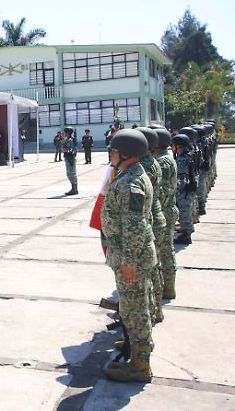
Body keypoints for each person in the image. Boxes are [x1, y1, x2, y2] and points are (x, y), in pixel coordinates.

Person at [101, 128, 156, 383]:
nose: (110, 154)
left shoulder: (131, 183)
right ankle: (137, 350)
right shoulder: (130, 175)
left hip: (131, 258)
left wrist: (129, 263)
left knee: (135, 311)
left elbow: (135, 227)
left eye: (112, 150)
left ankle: (140, 366)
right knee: (133, 308)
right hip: (130, 255)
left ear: (124, 153)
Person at [135, 127, 167, 324]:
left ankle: (152, 310)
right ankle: (157, 307)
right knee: (154, 268)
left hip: (149, 220)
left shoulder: (144, 166)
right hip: (156, 215)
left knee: (148, 273)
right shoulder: (153, 162)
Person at [153, 128, 178, 300]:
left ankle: (167, 287)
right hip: (168, 209)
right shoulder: (164, 159)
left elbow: (160, 192)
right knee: (166, 251)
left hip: (163, 211)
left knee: (164, 252)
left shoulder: (162, 162)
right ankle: (168, 287)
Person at [173, 134, 195, 245]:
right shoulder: (188, 155)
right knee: (187, 210)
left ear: (179, 146)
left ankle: (186, 236)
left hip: (184, 190)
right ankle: (187, 230)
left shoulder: (182, 159)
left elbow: (181, 178)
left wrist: (177, 191)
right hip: (189, 188)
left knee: (184, 212)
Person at [63, 127, 78, 195]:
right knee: (70, 173)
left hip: (70, 158)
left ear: (68, 133)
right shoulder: (68, 139)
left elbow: (71, 150)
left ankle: (74, 189)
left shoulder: (69, 140)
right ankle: (74, 188)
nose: (64, 133)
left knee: (71, 173)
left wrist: (64, 148)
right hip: (69, 157)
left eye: (65, 132)